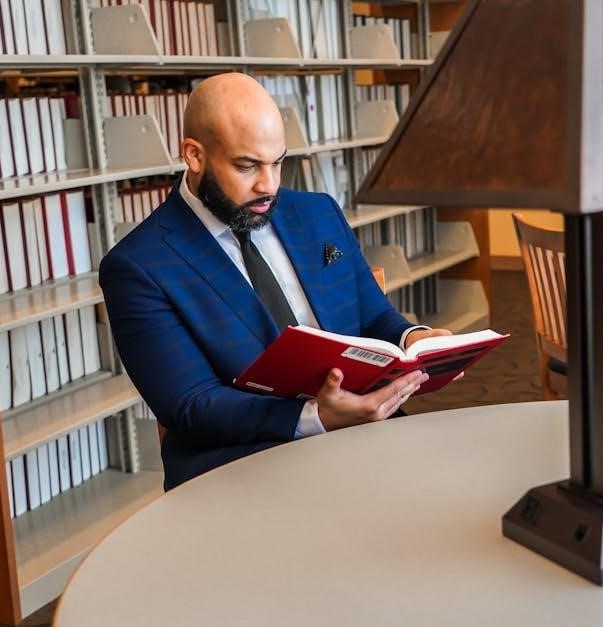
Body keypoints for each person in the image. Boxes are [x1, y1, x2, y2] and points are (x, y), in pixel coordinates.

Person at [100, 73, 451, 490]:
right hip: (242, 464)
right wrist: (316, 417)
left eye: (278, 162)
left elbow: (374, 318)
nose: (268, 185)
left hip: (364, 435)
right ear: (194, 155)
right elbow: (192, 405)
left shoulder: (319, 213)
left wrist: (414, 339)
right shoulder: (138, 267)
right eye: (246, 166)